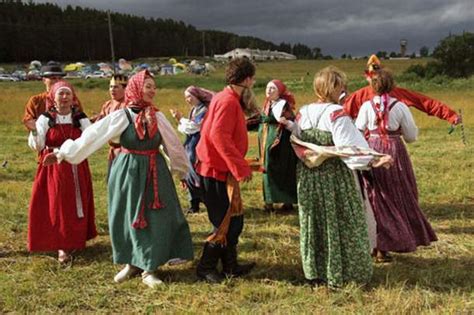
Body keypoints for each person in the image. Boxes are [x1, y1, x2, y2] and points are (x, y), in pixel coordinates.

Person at [43, 70, 194, 288]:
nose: (152, 90)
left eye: (154, 86)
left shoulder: (157, 116)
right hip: (127, 171)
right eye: (148, 86)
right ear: (136, 88)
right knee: (126, 215)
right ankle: (132, 262)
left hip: (154, 171)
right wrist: (62, 154)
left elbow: (173, 145)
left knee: (154, 217)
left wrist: (183, 171)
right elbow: (93, 136)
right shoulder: (121, 116)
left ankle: (149, 268)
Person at [290, 66, 392, 288]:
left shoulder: (303, 113)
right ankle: (344, 272)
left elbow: (297, 142)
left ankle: (315, 272)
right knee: (343, 219)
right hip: (334, 177)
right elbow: (350, 148)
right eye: (341, 86)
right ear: (333, 87)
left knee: (314, 221)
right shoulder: (336, 114)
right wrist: (375, 160)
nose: (344, 90)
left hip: (308, 177)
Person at [355, 69, 438, 262]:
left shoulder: (366, 106)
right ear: (392, 85)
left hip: (373, 151)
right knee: (397, 194)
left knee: (375, 196)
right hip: (393, 152)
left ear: (372, 86)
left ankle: (375, 243)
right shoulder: (400, 107)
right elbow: (411, 137)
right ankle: (388, 244)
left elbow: (358, 130)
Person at [194, 58, 257, 283]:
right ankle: (205, 267)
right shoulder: (229, 101)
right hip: (215, 170)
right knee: (224, 223)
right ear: (248, 79)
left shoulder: (224, 97)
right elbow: (218, 136)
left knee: (234, 220)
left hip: (219, 169)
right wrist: (240, 167)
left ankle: (231, 266)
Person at [27, 80, 96, 263]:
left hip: (75, 165)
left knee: (74, 204)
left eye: (68, 94)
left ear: (73, 98)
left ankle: (74, 239)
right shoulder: (45, 118)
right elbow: (38, 145)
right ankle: (61, 245)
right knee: (57, 204)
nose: (64, 97)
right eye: (61, 94)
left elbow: (90, 140)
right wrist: (34, 132)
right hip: (53, 168)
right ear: (53, 97)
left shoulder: (80, 118)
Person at [344, 54, 460, 125]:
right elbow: (342, 114)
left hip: (393, 142)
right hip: (366, 144)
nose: (375, 80)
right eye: (372, 76)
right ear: (367, 77)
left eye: (376, 76)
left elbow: (426, 103)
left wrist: (450, 116)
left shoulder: (399, 93)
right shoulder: (359, 95)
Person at [170, 86, 214, 214]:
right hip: (191, 144)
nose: (187, 99)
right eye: (186, 97)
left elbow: (194, 127)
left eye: (189, 96)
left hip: (199, 144)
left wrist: (179, 119)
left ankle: (205, 199)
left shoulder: (204, 110)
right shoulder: (194, 110)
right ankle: (193, 202)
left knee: (196, 169)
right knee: (188, 169)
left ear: (197, 96)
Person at [258, 80, 297, 212]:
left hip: (281, 143)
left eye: (272, 88)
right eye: (267, 88)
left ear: (279, 91)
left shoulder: (283, 105)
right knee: (267, 169)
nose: (269, 90)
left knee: (282, 169)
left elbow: (291, 119)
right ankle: (269, 201)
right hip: (265, 139)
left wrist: (284, 121)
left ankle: (287, 201)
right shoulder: (267, 104)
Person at [23, 61, 83, 131]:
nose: (57, 81)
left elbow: (81, 119)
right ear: (44, 80)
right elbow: (29, 121)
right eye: (53, 78)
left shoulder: (72, 99)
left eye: (60, 78)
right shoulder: (36, 101)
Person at [90, 74, 128, 167]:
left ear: (125, 89)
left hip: (127, 151)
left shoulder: (129, 104)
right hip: (112, 150)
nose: (112, 90)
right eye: (110, 87)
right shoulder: (108, 105)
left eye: (116, 87)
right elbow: (101, 121)